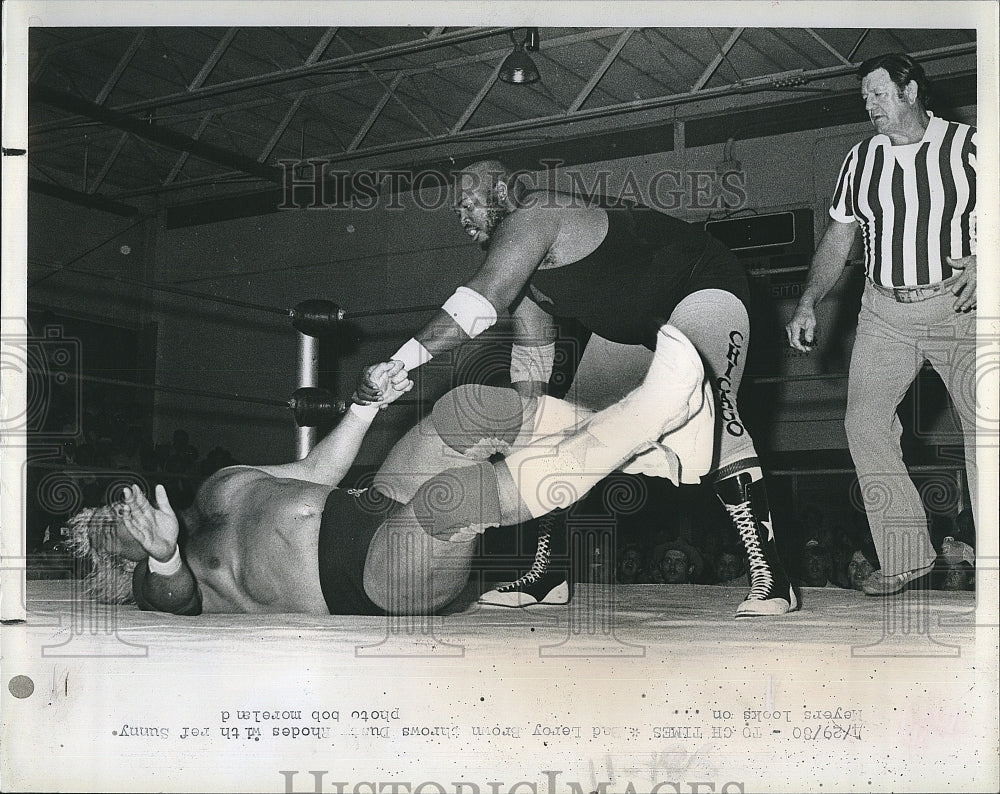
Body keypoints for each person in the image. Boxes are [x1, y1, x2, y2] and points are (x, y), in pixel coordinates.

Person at [358, 159, 797, 618]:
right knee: (570, 430)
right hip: (633, 328)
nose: (462, 217)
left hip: (702, 285)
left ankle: (772, 577)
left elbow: (479, 302)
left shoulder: (535, 214)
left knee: (716, 419)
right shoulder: (525, 268)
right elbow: (533, 357)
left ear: (504, 195)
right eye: (458, 210)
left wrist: (399, 361)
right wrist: (528, 435)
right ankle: (549, 572)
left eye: (469, 202)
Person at [64, 326, 710, 616]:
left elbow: (318, 466)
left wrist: (365, 408)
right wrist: (164, 557)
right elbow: (174, 599)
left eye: (121, 506)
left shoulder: (218, 486)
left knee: (468, 409)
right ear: (123, 561)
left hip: (370, 501)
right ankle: (646, 418)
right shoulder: (168, 580)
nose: (130, 512)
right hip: (370, 581)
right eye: (117, 527)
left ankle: (647, 449)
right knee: (456, 501)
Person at [785, 53, 978, 596]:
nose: (868, 105)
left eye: (878, 93)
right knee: (864, 424)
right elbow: (838, 240)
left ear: (910, 91)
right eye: (864, 96)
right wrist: (807, 302)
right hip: (884, 310)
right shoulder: (860, 160)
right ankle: (906, 557)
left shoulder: (969, 146)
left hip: (956, 306)